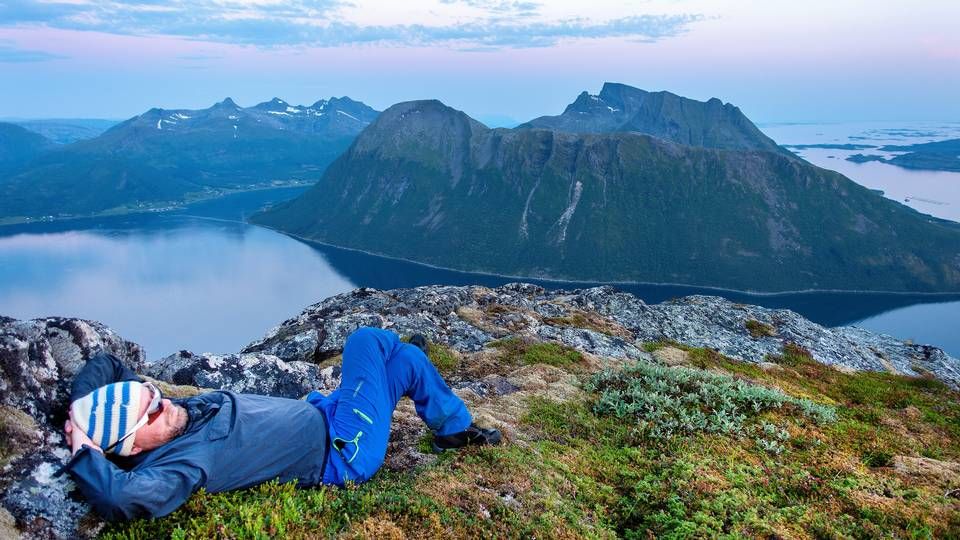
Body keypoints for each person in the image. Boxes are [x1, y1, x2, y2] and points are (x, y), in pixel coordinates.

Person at [61, 326, 501, 521]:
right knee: (365, 340)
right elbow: (118, 498)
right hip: (343, 448)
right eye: (151, 410)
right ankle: (395, 346)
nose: (163, 401)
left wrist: (82, 410)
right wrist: (85, 448)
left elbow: (110, 364)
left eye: (154, 393)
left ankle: (452, 431)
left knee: (408, 362)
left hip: (326, 413)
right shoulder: (186, 462)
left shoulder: (172, 418)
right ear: (134, 447)